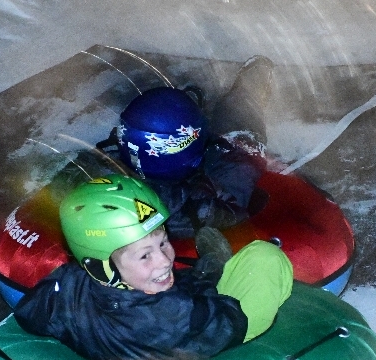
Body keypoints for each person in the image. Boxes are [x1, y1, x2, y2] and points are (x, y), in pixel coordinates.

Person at [13, 174, 293, 360]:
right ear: (102, 267)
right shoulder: (168, 316)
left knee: (171, 281)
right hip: (197, 338)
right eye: (145, 255)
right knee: (265, 257)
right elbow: (227, 321)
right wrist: (209, 274)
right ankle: (213, 268)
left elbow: (29, 312)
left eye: (163, 242)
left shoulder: (71, 282)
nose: (164, 260)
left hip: (143, 320)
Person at [100, 56, 276, 239]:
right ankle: (246, 94)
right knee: (241, 143)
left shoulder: (100, 178)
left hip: (157, 180)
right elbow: (239, 213)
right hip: (206, 189)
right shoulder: (201, 211)